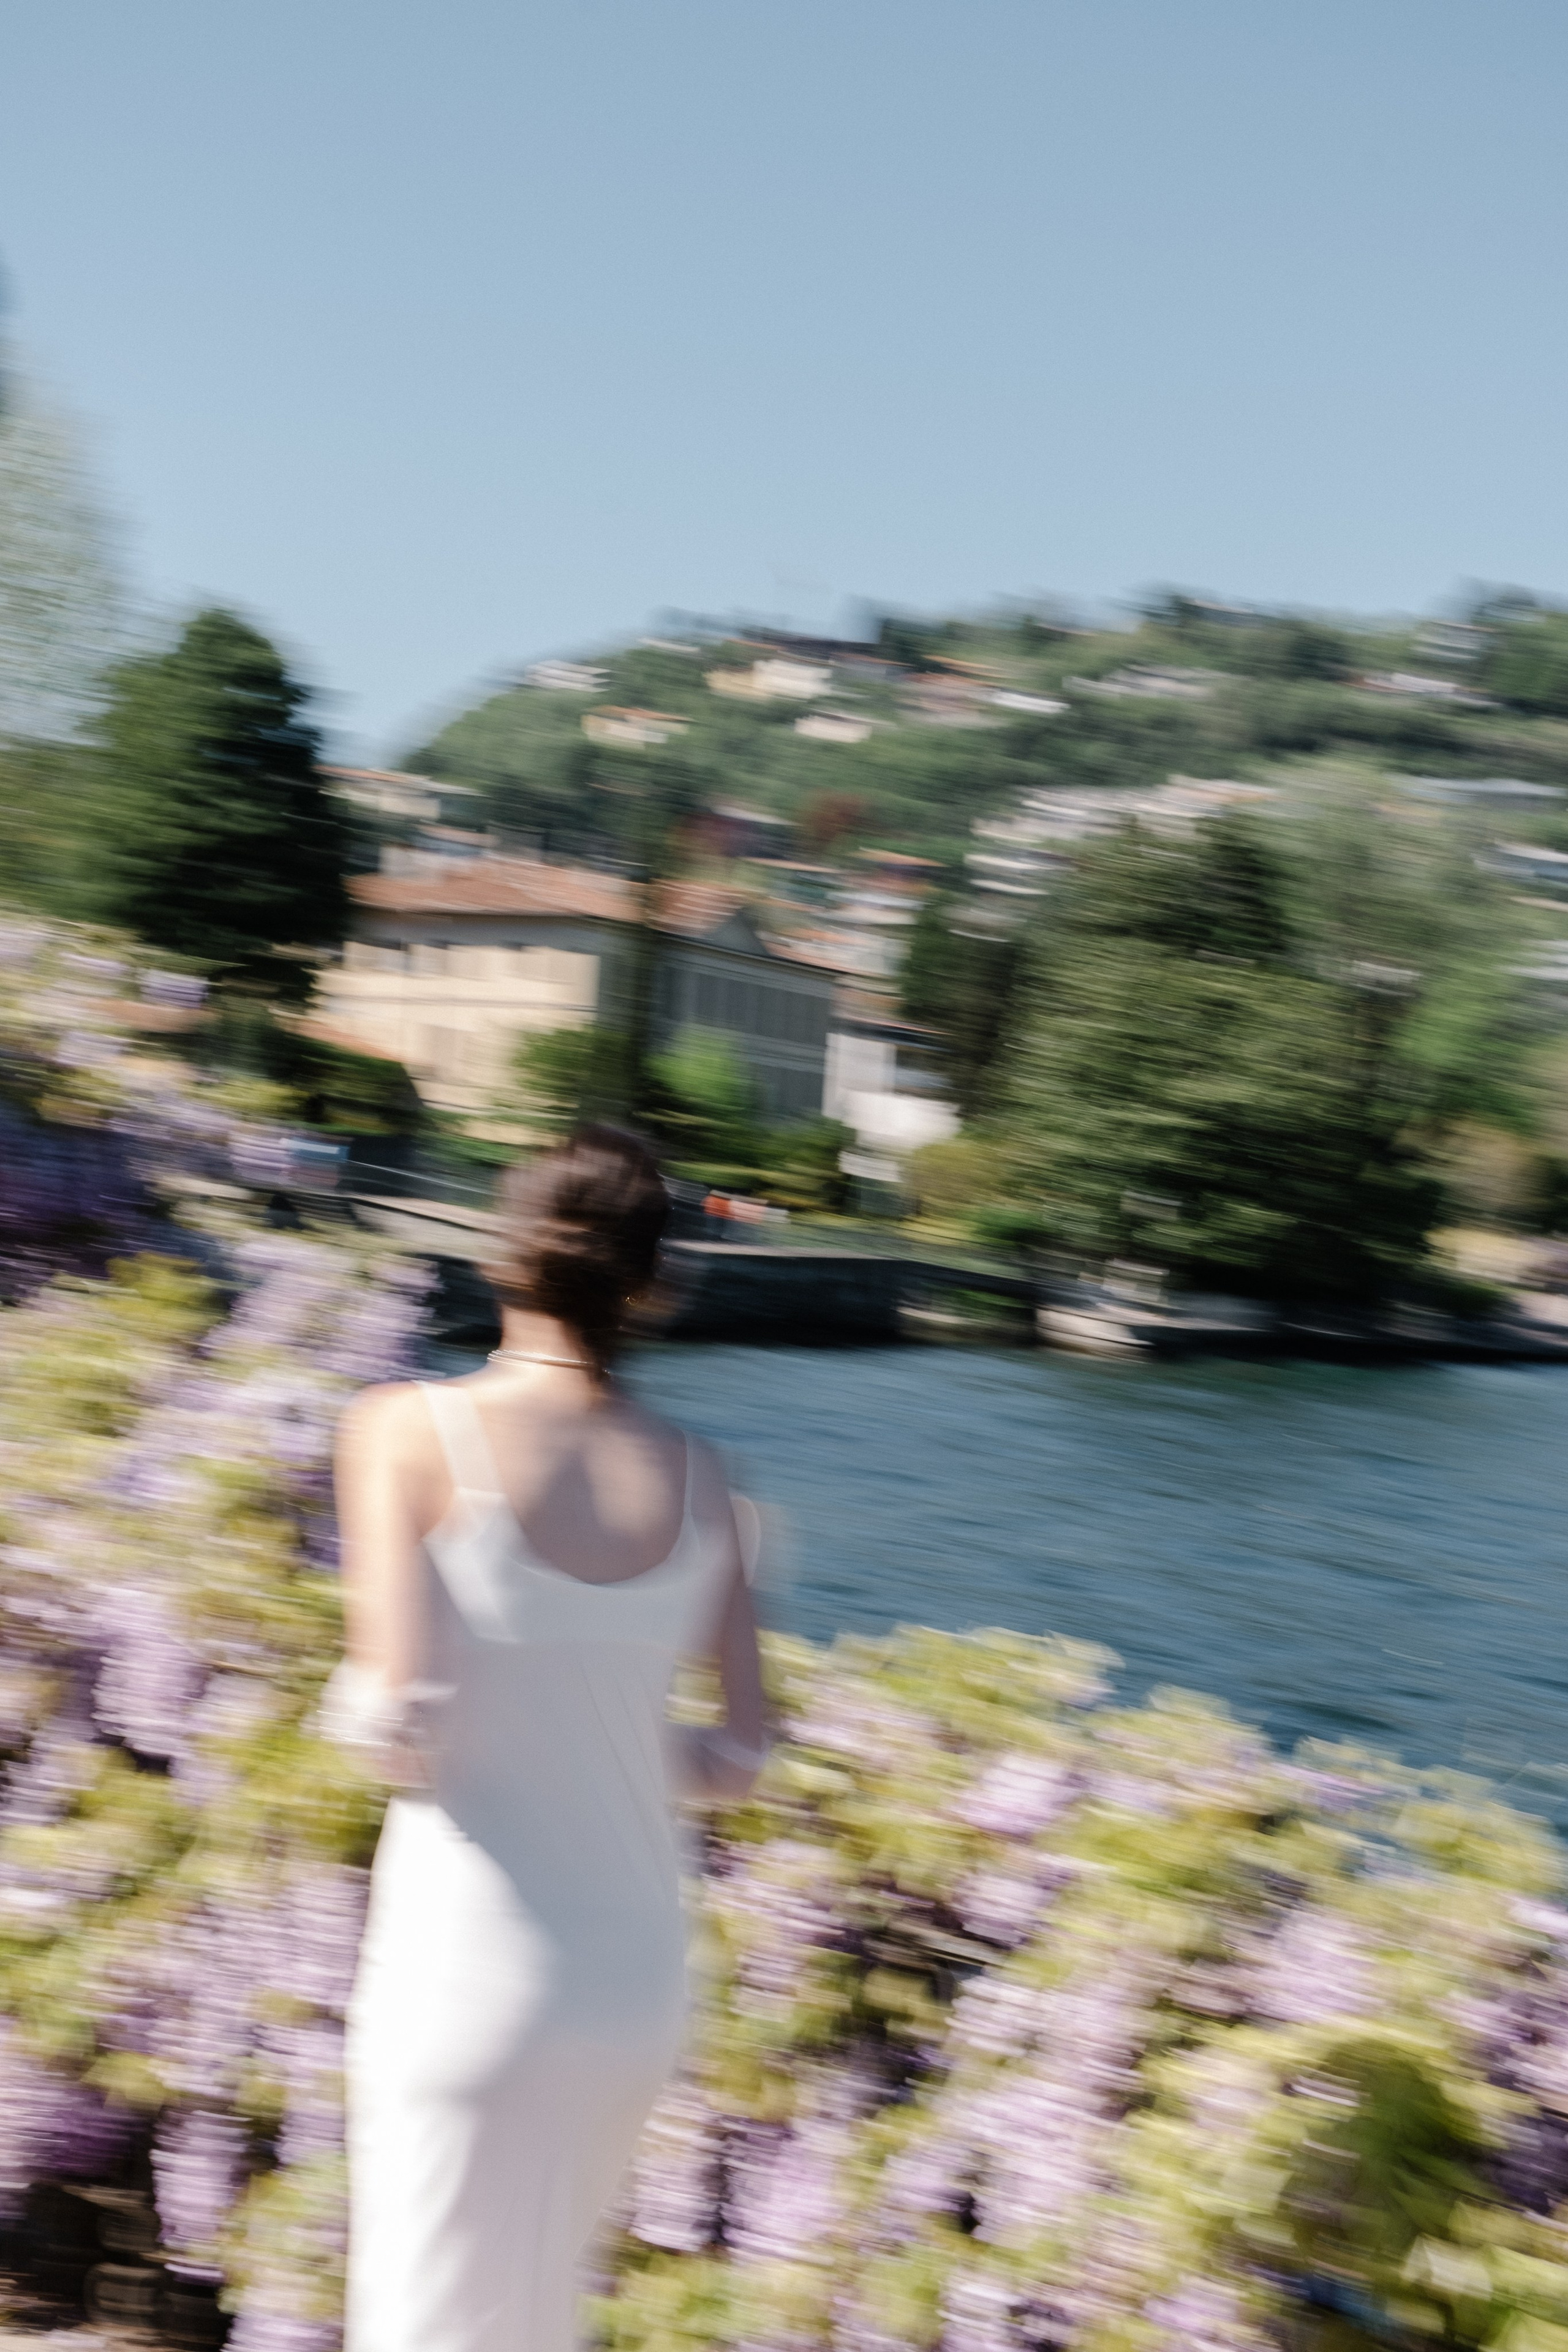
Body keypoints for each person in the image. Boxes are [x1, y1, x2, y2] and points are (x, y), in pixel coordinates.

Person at [325, 1125, 767, 2352]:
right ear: (653, 1281)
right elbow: (736, 1757)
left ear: (503, 1251)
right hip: (630, 1981)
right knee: (537, 2315)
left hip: (467, 1964)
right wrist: (603, 1746)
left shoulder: (403, 1429)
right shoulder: (706, 1477)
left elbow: (393, 1722)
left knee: (423, 2315)